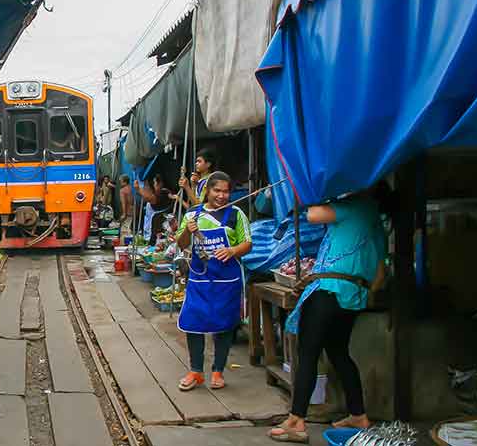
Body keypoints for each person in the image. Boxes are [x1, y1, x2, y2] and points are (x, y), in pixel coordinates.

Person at [268, 187, 388, 443]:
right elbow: (379, 277)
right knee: (338, 353)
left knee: (308, 354)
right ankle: (358, 415)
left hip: (328, 290)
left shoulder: (353, 206)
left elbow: (312, 215)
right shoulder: (376, 221)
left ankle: (296, 421)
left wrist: (313, 187)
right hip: (353, 295)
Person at [174, 172, 251, 391]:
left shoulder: (236, 214)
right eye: (217, 190)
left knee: (224, 325)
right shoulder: (192, 214)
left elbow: (248, 243)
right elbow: (181, 243)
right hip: (199, 278)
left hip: (228, 280)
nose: (222, 196)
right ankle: (196, 371)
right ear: (207, 190)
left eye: (226, 191)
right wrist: (188, 233)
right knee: (193, 323)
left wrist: (232, 250)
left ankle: (218, 371)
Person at [137, 174, 176, 242]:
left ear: (160, 183)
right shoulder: (160, 193)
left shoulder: (164, 194)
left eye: (154, 183)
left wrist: (138, 188)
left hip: (158, 233)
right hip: (149, 232)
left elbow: (149, 198)